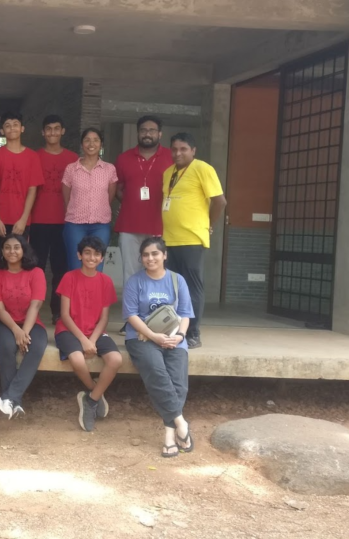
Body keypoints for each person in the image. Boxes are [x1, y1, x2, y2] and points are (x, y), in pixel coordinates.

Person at [123, 237, 195, 457]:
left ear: (164, 255)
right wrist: (153, 336)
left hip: (174, 337)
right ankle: (181, 424)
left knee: (178, 382)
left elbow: (185, 313)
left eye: (155, 253)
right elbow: (131, 315)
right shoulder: (135, 282)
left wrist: (180, 335)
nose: (150, 258)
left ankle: (169, 435)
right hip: (142, 337)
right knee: (157, 372)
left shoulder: (177, 280)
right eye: (146, 255)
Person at [161, 133, 226, 349]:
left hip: (191, 239)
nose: (178, 153)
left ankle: (193, 333)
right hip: (169, 239)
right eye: (174, 149)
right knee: (173, 288)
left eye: (183, 149)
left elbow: (219, 201)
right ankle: (174, 329)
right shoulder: (168, 173)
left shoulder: (202, 169)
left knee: (191, 287)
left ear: (193, 150)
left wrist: (209, 224)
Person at [55, 236, 121, 432]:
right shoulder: (69, 277)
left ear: (102, 258)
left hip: (96, 331)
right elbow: (64, 315)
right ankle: (95, 390)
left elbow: (104, 318)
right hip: (69, 330)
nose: (92, 257)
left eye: (96, 254)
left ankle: (90, 401)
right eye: (87, 253)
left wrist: (91, 340)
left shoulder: (105, 281)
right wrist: (83, 340)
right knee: (77, 359)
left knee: (116, 360)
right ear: (79, 255)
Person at [0, 234, 47, 419]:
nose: (12, 251)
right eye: (7, 247)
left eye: (16, 247)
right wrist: (16, 330)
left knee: (36, 346)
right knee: (6, 347)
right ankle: (14, 402)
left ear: (24, 250)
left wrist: (25, 333)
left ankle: (10, 397)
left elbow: (36, 304)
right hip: (4, 323)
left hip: (31, 323)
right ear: (2, 251)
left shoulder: (36, 272)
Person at [114, 116, 173, 286]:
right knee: (130, 273)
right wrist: (132, 202)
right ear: (138, 133)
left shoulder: (170, 157)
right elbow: (117, 187)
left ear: (160, 134)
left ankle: (154, 312)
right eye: (143, 130)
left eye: (152, 130)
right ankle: (132, 312)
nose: (147, 134)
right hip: (129, 226)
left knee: (157, 272)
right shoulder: (124, 158)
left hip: (160, 225)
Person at [30, 115, 78, 319]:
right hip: (39, 220)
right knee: (36, 268)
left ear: (63, 131)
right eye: (48, 129)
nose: (52, 132)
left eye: (56, 128)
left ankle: (58, 311)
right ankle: (33, 311)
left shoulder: (73, 159)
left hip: (65, 221)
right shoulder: (34, 157)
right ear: (43, 132)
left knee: (61, 268)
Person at [0, 111, 44, 270]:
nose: (12, 128)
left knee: (20, 262)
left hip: (21, 221)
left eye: (15, 125)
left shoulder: (32, 156)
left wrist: (23, 219)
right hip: (0, 220)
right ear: (2, 131)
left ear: (22, 128)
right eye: (7, 126)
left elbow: (32, 190)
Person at [61, 127, 118, 271]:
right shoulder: (71, 169)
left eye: (95, 140)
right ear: (82, 144)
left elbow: (109, 196)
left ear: (101, 144)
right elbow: (67, 197)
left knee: (96, 267)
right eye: (87, 140)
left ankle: (93, 294)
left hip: (100, 225)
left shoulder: (109, 169)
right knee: (75, 265)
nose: (91, 144)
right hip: (75, 224)